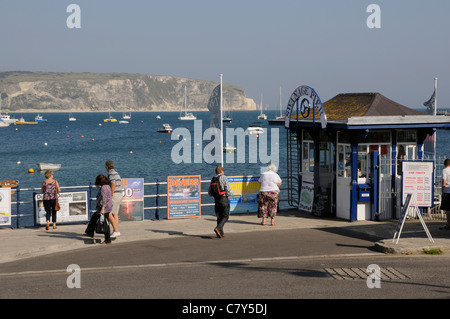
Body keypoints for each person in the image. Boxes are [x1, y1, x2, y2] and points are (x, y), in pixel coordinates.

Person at [83, 174, 113, 244]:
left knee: (105, 223)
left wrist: (103, 209)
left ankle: (108, 240)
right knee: (94, 217)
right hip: (108, 206)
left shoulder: (103, 188)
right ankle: (89, 232)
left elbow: (104, 199)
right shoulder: (108, 186)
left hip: (104, 208)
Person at [208, 166, 231, 238]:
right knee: (226, 216)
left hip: (216, 199)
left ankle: (220, 233)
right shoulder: (224, 177)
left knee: (219, 216)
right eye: (223, 170)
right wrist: (228, 195)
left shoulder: (213, 178)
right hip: (223, 198)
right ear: (221, 171)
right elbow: (227, 188)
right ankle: (218, 228)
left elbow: (209, 191)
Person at [105, 160, 123, 238]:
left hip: (115, 194)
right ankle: (115, 230)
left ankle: (116, 231)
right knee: (115, 213)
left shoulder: (111, 174)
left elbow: (113, 183)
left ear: (107, 167)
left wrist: (111, 194)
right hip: (119, 194)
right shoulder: (116, 173)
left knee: (108, 213)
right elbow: (120, 183)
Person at [440, 159, 450, 230]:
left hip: (447, 191)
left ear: (444, 164)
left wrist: (442, 190)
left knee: (448, 209)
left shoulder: (444, 170)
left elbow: (444, 180)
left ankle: (448, 224)